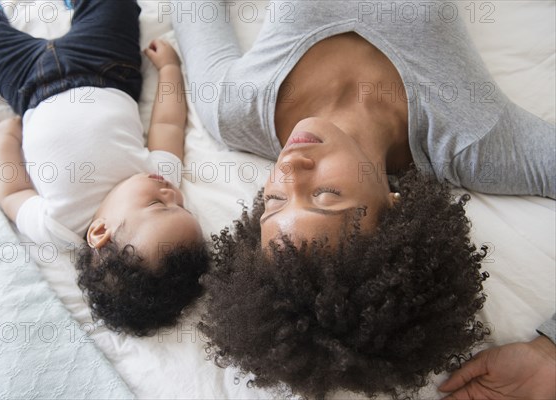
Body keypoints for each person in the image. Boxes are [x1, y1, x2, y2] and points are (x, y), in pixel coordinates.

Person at [172, 0, 556, 398]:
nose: (289, 170)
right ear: (394, 207)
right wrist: (551, 353)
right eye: (324, 194)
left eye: (274, 201)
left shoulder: (233, 110)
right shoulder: (473, 139)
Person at [0, 0, 209, 337]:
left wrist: (4, 142)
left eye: (158, 204)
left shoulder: (58, 226)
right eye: (182, 205)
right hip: (105, 66)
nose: (172, 193)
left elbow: (13, 191)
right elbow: (169, 122)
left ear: (99, 232)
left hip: (28, 85)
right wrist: (169, 70)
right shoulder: (158, 175)